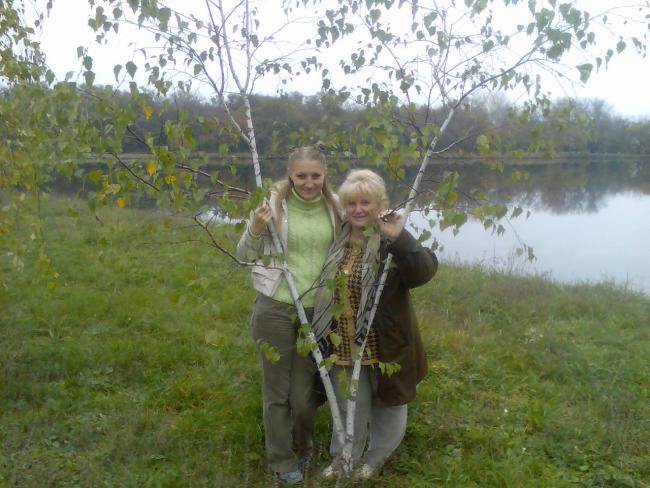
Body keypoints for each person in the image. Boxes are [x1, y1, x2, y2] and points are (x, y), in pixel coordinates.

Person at [311, 169, 438, 481]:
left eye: (365, 202)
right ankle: (343, 459)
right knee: (347, 405)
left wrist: (398, 238)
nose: (358, 209)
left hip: (384, 341)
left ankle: (375, 458)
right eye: (351, 203)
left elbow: (422, 272)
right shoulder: (337, 237)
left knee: (388, 405)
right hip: (342, 339)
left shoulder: (389, 240)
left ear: (379, 203)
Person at [235, 144, 341, 485]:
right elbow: (242, 254)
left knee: (304, 394)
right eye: (301, 176)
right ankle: (281, 459)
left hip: (317, 309)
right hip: (276, 307)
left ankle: (302, 443)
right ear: (290, 175)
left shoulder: (336, 206)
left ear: (324, 175)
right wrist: (254, 227)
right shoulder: (272, 205)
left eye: (315, 175)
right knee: (277, 392)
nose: (308, 182)